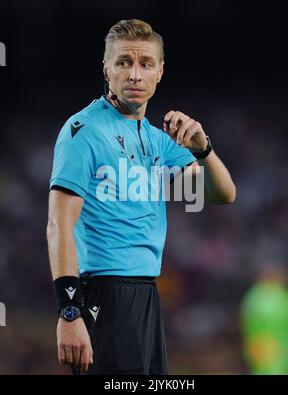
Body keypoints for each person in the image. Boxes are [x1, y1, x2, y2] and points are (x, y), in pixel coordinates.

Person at [46, 19, 236, 375]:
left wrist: (203, 148)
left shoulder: (157, 138)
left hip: (147, 294)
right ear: (107, 68)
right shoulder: (83, 131)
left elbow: (222, 193)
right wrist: (69, 314)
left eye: (145, 64)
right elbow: (59, 224)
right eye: (124, 63)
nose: (134, 74)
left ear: (160, 71)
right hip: (103, 293)